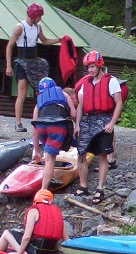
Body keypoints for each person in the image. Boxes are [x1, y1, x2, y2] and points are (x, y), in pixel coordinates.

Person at [74, 51, 123, 205]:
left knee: (102, 155)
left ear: (99, 65)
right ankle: (83, 186)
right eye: (88, 67)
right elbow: (81, 105)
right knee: (81, 154)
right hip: (88, 120)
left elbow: (119, 102)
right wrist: (77, 124)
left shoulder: (111, 81)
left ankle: (100, 188)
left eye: (92, 67)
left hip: (104, 119)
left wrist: (112, 123)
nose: (90, 70)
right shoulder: (84, 84)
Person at [4, 3, 61, 133]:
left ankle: (41, 118)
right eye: (39, 16)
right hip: (22, 61)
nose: (40, 18)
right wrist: (8, 65)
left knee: (41, 90)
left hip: (34, 61)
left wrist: (59, 40)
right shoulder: (19, 28)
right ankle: (18, 123)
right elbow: (9, 46)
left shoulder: (38, 28)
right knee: (22, 93)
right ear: (34, 15)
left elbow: (45, 41)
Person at [31, 77, 76, 190]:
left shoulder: (39, 103)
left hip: (41, 127)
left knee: (48, 153)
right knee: (51, 158)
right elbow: (74, 114)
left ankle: (48, 174)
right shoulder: (64, 94)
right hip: (56, 125)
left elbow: (34, 129)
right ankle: (43, 189)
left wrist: (36, 151)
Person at [0, 189, 68, 254]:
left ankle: (23, 253)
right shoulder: (57, 213)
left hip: (34, 252)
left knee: (6, 233)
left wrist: (19, 252)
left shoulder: (33, 211)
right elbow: (66, 240)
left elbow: (27, 237)